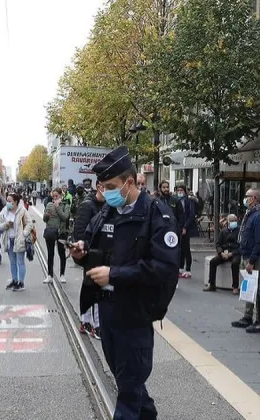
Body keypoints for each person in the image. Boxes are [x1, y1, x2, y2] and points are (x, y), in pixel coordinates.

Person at [69, 145, 179, 420]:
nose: (106, 193)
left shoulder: (157, 214)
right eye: (103, 187)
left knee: (128, 393)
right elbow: (95, 253)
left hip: (135, 314)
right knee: (129, 383)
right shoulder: (106, 213)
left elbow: (165, 267)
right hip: (106, 312)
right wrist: (81, 254)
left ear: (129, 183)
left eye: (111, 186)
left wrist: (114, 275)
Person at [230, 187, 260, 333]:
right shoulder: (250, 213)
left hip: (254, 257)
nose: (245, 199)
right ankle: (247, 316)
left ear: (255, 199)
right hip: (246, 254)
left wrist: (252, 261)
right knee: (248, 287)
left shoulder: (259, 216)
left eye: (247, 196)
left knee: (258, 289)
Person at [74, 180, 106, 339]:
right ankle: (87, 321)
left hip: (102, 255)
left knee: (97, 288)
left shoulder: (106, 205)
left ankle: (96, 323)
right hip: (90, 255)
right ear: (100, 187)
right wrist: (83, 252)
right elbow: (80, 231)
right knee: (89, 287)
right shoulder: (88, 205)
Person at [0, 193, 34, 292]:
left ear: (15, 201)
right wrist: (6, 224)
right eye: (7, 201)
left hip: (19, 239)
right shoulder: (4, 211)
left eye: (10, 201)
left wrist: (24, 234)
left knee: (20, 261)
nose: (8, 203)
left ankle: (21, 282)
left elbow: (30, 223)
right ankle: (14, 280)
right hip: (9, 240)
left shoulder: (22, 210)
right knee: (12, 262)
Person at [204, 213, 241, 294]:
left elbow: (241, 246)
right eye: (231, 221)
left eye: (235, 220)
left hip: (234, 253)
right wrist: (221, 253)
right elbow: (218, 244)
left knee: (235, 264)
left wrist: (232, 253)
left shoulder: (240, 231)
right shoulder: (223, 232)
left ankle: (235, 286)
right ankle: (212, 284)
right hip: (224, 252)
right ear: (227, 222)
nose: (233, 222)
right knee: (213, 262)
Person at [43, 188, 70, 284]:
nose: (54, 198)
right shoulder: (49, 204)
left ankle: (62, 274)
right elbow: (44, 219)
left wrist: (58, 207)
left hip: (61, 232)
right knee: (50, 254)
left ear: (61, 196)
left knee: (61, 253)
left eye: (56, 196)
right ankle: (49, 275)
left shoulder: (65, 205)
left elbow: (65, 217)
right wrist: (47, 215)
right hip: (50, 231)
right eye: (53, 196)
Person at [175, 184, 198, 279]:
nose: (180, 192)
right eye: (178, 190)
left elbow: (191, 215)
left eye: (181, 190)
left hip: (187, 228)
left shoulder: (189, 201)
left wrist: (185, 227)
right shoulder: (176, 201)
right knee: (180, 249)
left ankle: (188, 269)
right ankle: (180, 268)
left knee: (186, 249)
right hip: (178, 228)